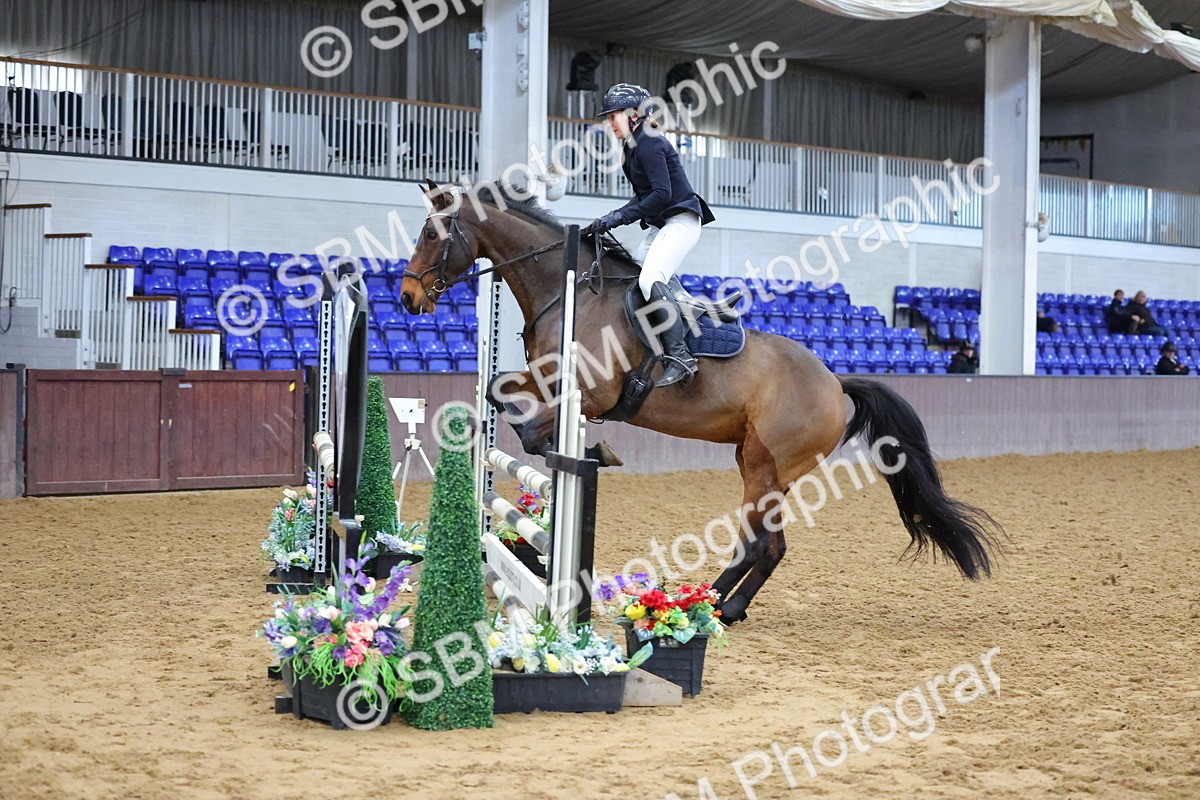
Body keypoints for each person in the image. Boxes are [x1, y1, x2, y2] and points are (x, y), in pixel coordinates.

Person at [584, 83, 716, 388]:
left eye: (613, 116)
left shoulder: (650, 143)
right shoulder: (631, 147)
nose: (609, 123)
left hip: (681, 222)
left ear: (633, 115)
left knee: (648, 280)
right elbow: (642, 197)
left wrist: (618, 218)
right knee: (633, 276)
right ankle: (679, 302)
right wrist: (610, 219)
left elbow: (661, 194)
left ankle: (681, 356)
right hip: (662, 225)